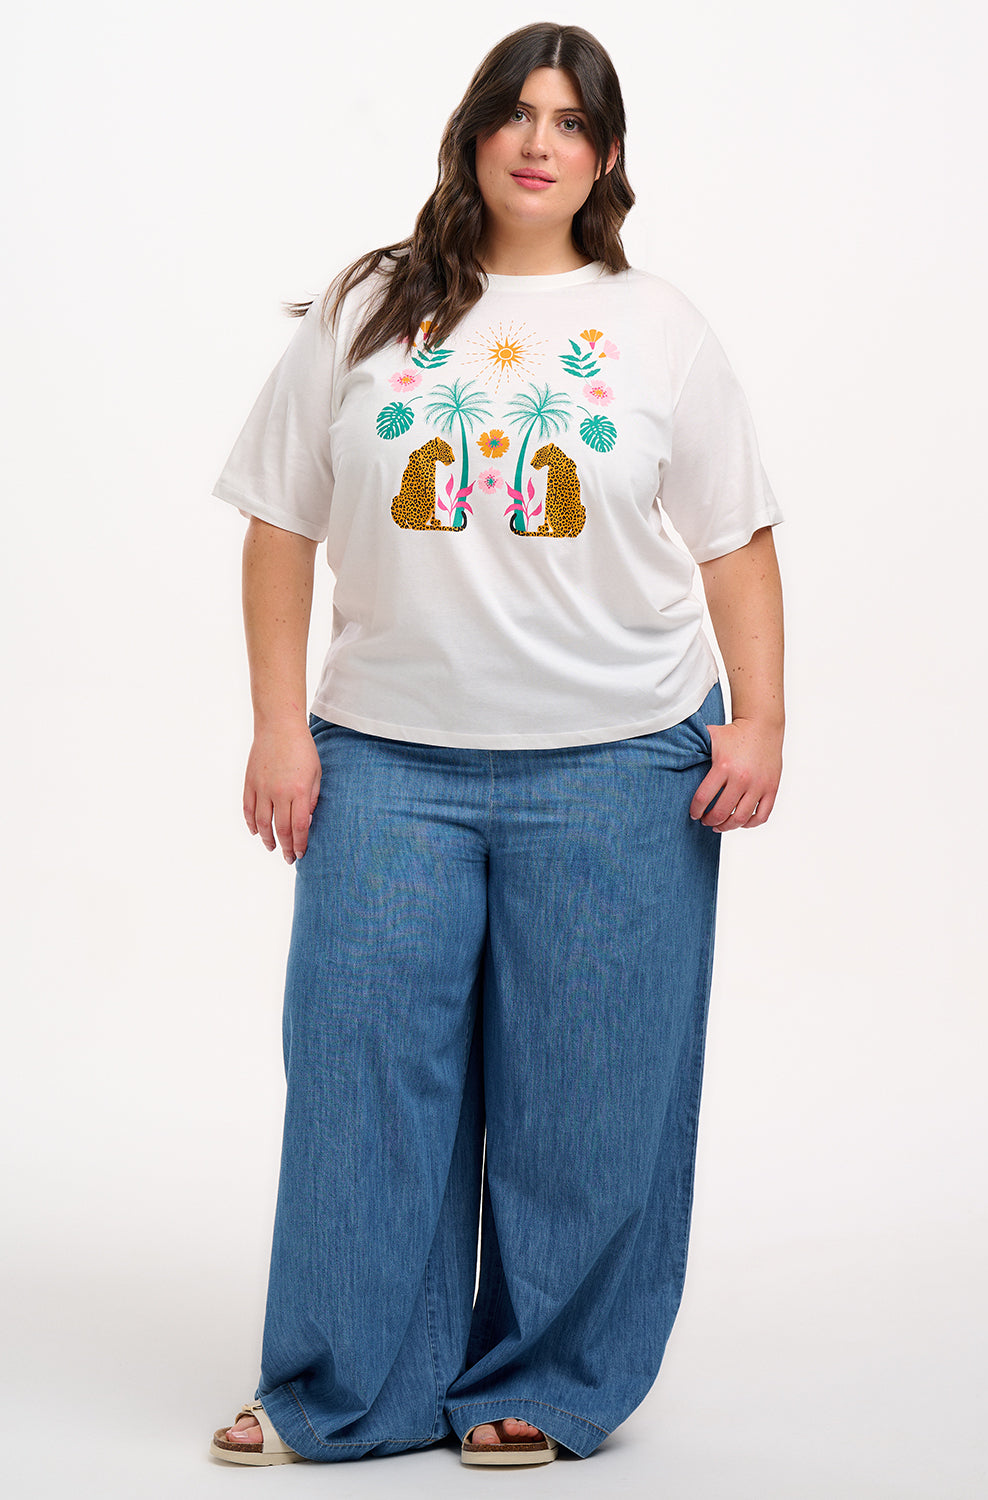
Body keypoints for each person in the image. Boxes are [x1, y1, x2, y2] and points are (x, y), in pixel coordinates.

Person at [207, 20, 784, 1470]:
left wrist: (761, 717)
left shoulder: (661, 329)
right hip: (387, 761)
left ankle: (544, 1376)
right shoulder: (371, 310)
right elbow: (281, 526)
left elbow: (736, 540)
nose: (541, 141)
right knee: (360, 1077)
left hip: (620, 760)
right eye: (517, 114)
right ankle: (347, 1384)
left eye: (573, 121)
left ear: (606, 158)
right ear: (473, 136)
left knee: (588, 1093)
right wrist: (282, 726)